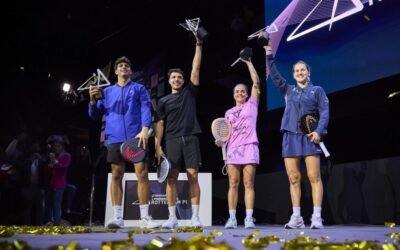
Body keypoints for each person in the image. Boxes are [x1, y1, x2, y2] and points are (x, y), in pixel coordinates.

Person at [88, 56, 159, 229]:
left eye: (126, 66)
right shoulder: (107, 92)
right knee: (116, 175)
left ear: (130, 71)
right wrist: (92, 101)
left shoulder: (139, 88)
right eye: (120, 66)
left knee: (142, 174)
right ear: (116, 71)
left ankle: (145, 218)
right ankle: (117, 217)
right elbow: (94, 116)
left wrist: (144, 128)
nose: (123, 68)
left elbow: (145, 108)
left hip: (136, 137)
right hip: (114, 138)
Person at [264, 45, 329, 229]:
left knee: (314, 176)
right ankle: (297, 217)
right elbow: (275, 75)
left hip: (309, 137)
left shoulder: (317, 90)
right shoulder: (288, 90)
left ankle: (316, 217)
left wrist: (319, 131)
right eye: (297, 71)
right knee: (293, 178)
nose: (300, 73)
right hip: (290, 137)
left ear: (308, 72)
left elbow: (324, 113)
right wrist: (269, 54)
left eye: (303, 70)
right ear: (293, 75)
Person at [154, 34, 203, 229]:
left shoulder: (190, 92)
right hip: (172, 141)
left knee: (193, 176)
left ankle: (195, 217)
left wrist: (198, 44)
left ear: (183, 81)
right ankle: (172, 218)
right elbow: (159, 125)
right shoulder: (164, 101)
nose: (176, 79)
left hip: (191, 138)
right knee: (171, 179)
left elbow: (196, 68)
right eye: (173, 77)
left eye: (179, 77)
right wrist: (157, 147)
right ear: (169, 80)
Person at [215, 57, 260, 229]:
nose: (240, 93)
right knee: (233, 184)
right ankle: (232, 218)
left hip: (250, 147)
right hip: (233, 149)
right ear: (233, 95)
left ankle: (249, 218)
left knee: (249, 184)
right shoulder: (228, 112)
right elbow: (226, 133)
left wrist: (249, 62)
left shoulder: (252, 105)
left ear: (247, 94)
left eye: (243, 91)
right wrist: (221, 141)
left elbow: (255, 82)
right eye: (237, 92)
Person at [44, 138, 71, 226]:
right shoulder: (54, 155)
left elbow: (64, 169)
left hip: (59, 184)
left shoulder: (66, 155)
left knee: (56, 205)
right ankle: (48, 222)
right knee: (48, 205)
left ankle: (57, 224)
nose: (55, 148)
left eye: (57, 146)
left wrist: (55, 161)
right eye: (54, 146)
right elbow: (49, 169)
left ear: (62, 146)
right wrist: (50, 165)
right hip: (50, 183)